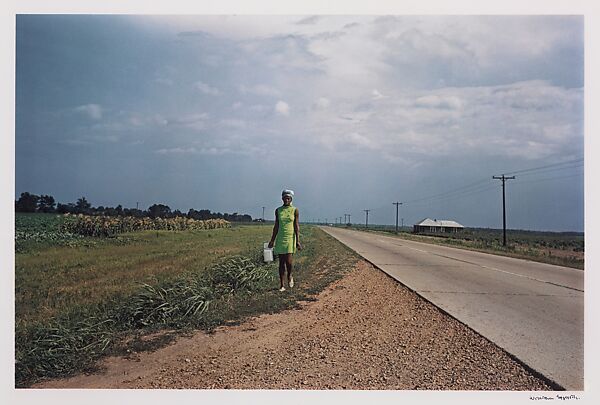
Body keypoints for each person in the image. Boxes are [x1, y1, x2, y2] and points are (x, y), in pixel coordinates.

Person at [268, 189, 302, 291]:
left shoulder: (295, 210)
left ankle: (290, 275)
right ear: (282, 199)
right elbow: (276, 226)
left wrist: (298, 240)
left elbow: (296, 226)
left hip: (290, 238)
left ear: (291, 199)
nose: (286, 200)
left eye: (288, 198)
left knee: (289, 262)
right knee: (281, 262)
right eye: (284, 198)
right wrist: (272, 240)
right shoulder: (278, 210)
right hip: (281, 238)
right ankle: (282, 285)